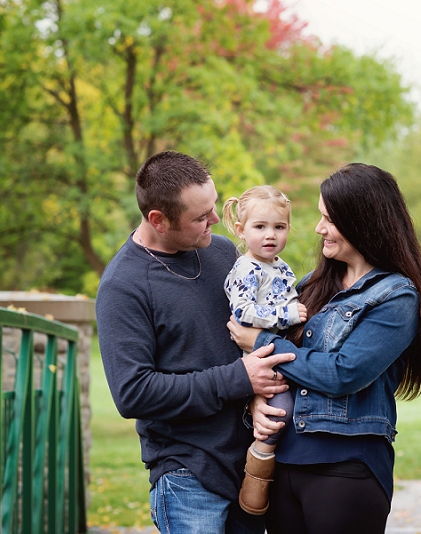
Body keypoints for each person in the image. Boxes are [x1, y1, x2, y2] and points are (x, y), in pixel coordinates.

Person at [227, 163, 421, 534]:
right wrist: (257, 399)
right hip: (284, 466)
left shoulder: (395, 297)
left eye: (329, 218)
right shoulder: (313, 283)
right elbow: (279, 369)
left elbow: (344, 373)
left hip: (345, 468)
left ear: (362, 222)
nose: (318, 229)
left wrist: (262, 341)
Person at [96, 150, 295, 534]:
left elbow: (239, 343)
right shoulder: (124, 286)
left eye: (214, 206)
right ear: (158, 219)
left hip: (249, 467)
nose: (217, 221)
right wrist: (239, 379)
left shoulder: (222, 253)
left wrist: (255, 392)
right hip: (188, 476)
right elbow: (132, 393)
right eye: (201, 217)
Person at [221, 185, 308, 515]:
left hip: (279, 348)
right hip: (257, 357)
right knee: (280, 410)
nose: (270, 235)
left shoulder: (280, 266)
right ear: (242, 231)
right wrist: (287, 314)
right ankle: (258, 468)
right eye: (260, 227)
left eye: (279, 227)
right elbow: (242, 312)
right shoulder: (247, 269)